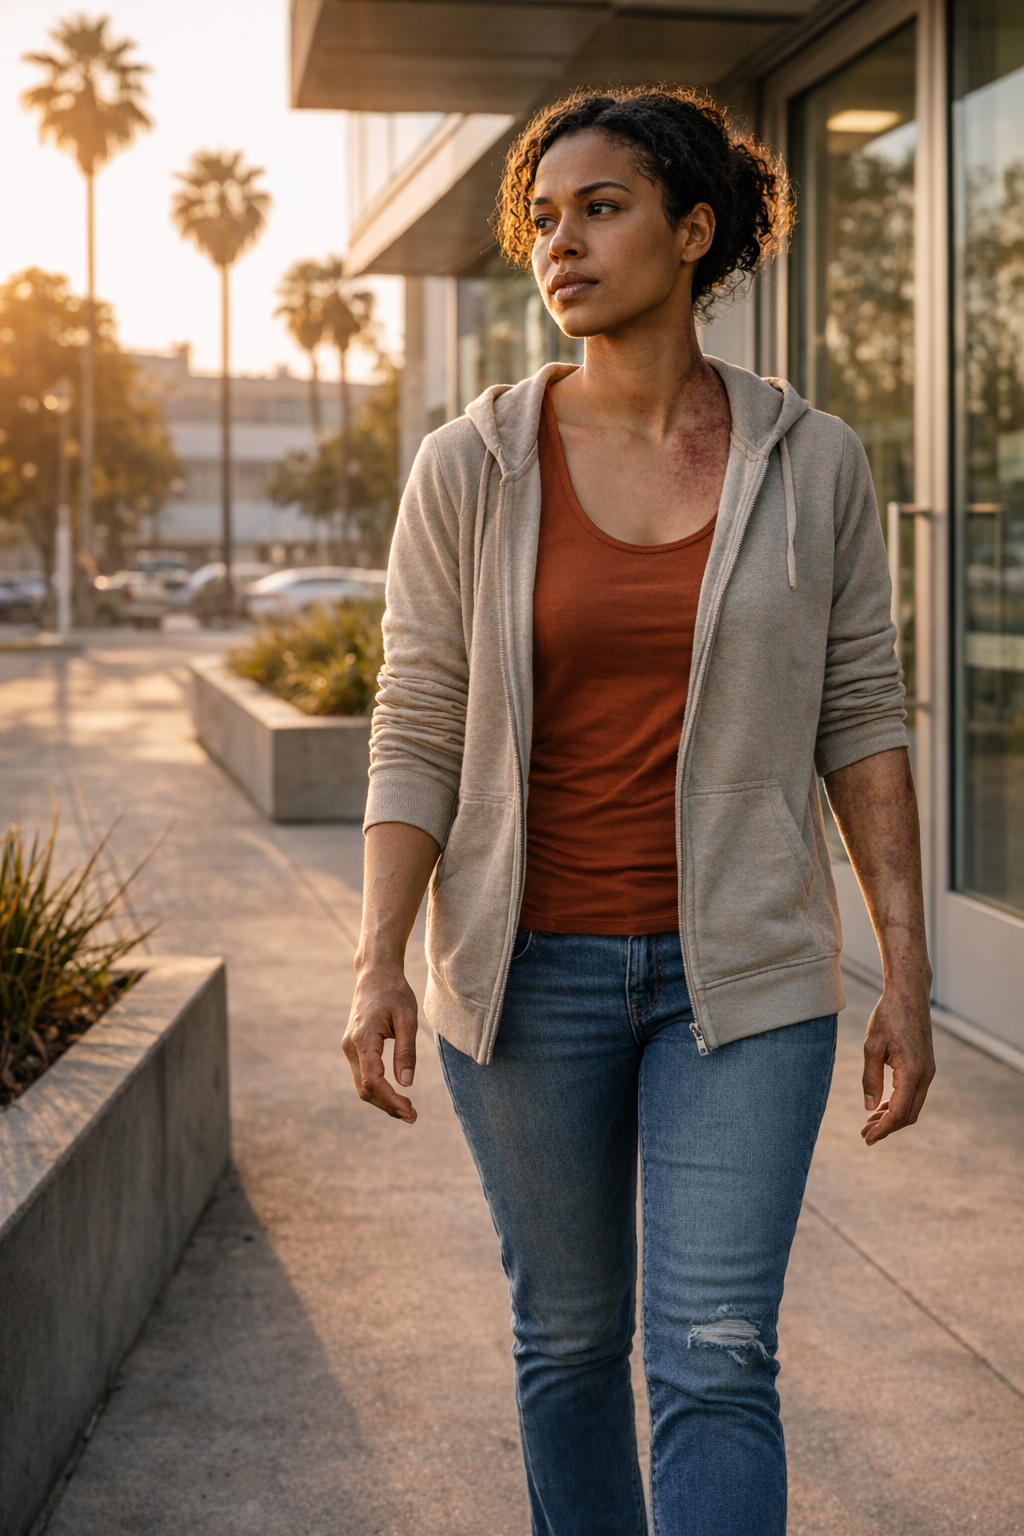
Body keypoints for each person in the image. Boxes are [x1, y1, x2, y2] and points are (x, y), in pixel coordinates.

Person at [343, 87, 935, 1536]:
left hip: (744, 981)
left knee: (718, 1361)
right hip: (524, 975)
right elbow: (417, 716)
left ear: (694, 229)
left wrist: (906, 971)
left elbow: (861, 720)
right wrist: (377, 956)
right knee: (567, 1347)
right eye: (543, 219)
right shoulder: (468, 467)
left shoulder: (815, 465)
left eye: (601, 208)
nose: (563, 243)